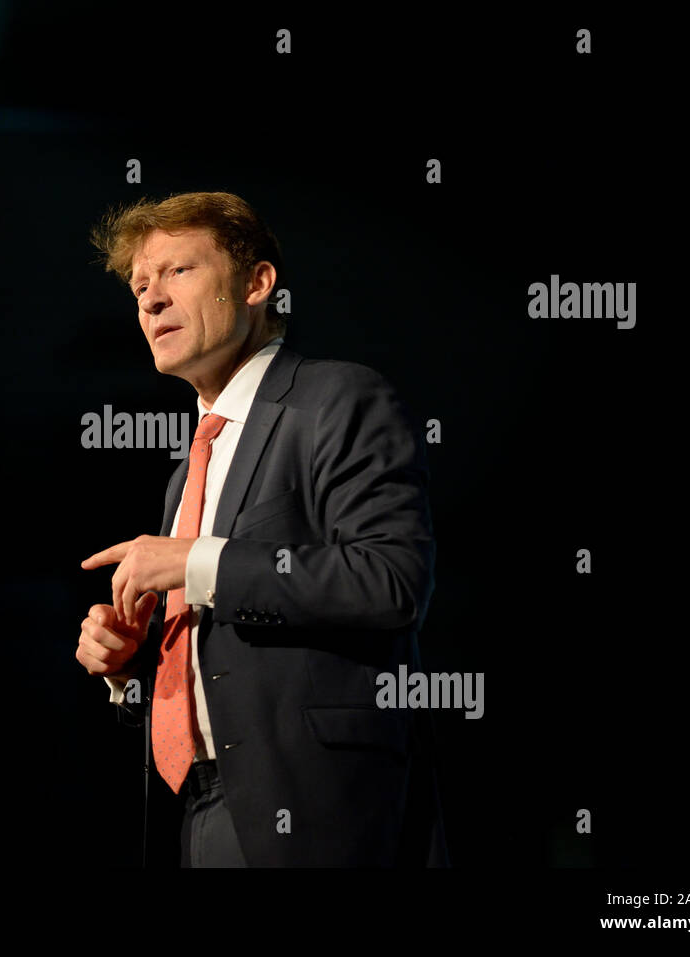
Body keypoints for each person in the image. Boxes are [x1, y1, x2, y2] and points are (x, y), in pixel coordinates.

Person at [76, 191, 448, 867]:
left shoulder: (338, 399)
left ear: (257, 283)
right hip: (196, 816)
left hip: (318, 814)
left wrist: (199, 563)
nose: (150, 300)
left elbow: (393, 581)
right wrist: (135, 664)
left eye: (178, 272)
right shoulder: (185, 472)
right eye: (139, 286)